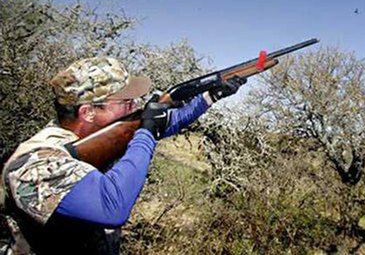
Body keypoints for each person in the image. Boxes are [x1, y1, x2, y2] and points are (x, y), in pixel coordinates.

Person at [1, 56, 245, 254]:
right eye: (126, 101)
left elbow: (171, 121)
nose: (135, 106)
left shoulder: (97, 140)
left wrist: (210, 96)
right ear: (87, 112)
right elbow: (112, 206)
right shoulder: (34, 163)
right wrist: (146, 132)